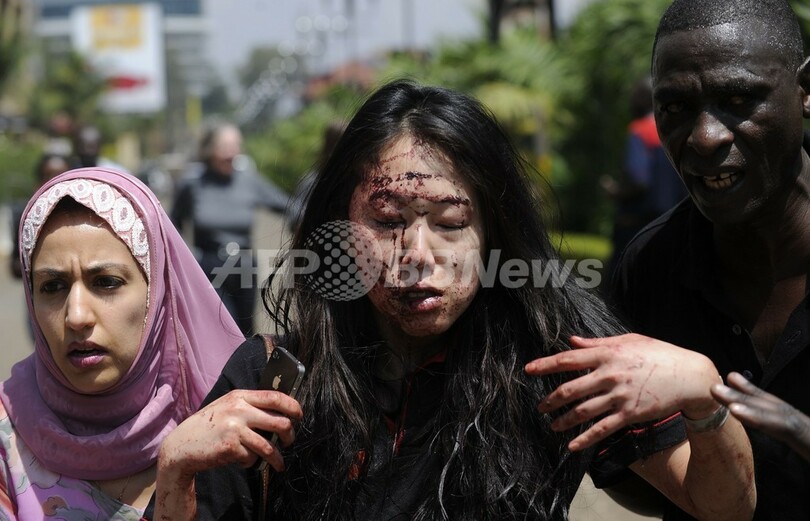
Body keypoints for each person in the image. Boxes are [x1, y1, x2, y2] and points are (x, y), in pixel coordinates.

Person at [152, 80, 753, 520]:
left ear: (493, 231)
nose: (417, 253)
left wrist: (705, 397)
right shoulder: (272, 382)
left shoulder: (558, 363)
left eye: (449, 222)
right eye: (387, 221)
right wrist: (174, 471)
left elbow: (721, 506)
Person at [569, 0, 810, 519]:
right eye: (676, 106)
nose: (704, 137)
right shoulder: (650, 267)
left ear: (806, 91)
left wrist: (799, 431)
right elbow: (633, 470)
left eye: (739, 99)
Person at [0, 168, 244, 518]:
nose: (76, 316)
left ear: (157, 293)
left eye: (106, 282)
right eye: (52, 287)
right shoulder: (6, 445)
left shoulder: (227, 425)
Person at [171, 123, 289, 336]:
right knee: (223, 329)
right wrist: (187, 257)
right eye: (224, 147)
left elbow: (288, 205)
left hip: (244, 266)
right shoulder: (193, 185)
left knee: (246, 332)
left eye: (235, 146)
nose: (231, 153)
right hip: (209, 266)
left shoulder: (249, 181)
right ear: (209, 150)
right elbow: (173, 224)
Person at [602, 76, 687, 279]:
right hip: (676, 225)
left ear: (643, 99)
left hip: (638, 227)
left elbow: (639, 180)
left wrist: (614, 191)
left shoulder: (639, 130)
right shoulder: (677, 130)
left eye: (634, 95)